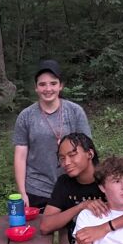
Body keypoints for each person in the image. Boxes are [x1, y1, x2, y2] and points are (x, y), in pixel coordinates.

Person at [13, 60, 91, 211]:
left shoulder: (75, 112)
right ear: (36, 87)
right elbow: (20, 156)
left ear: (61, 85)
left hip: (72, 183)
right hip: (36, 187)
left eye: (53, 83)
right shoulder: (26, 116)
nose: (48, 89)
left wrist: (91, 184)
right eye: (42, 84)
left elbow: (87, 150)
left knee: (68, 232)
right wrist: (22, 192)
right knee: (40, 231)